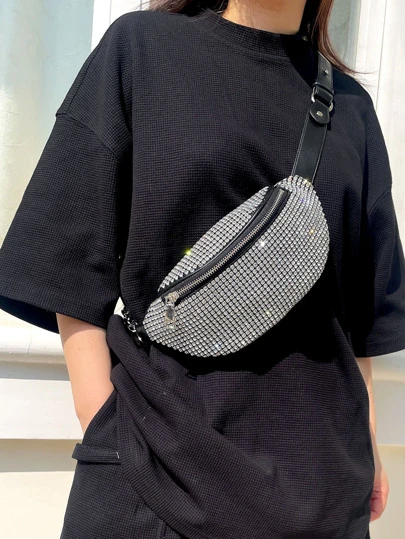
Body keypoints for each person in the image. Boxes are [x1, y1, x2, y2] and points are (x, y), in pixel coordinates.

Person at [0, 0, 404, 537]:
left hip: (320, 493)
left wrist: (366, 440)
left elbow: (361, 312)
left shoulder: (352, 109)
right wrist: (107, 431)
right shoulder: (142, 49)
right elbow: (68, 254)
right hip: (154, 483)